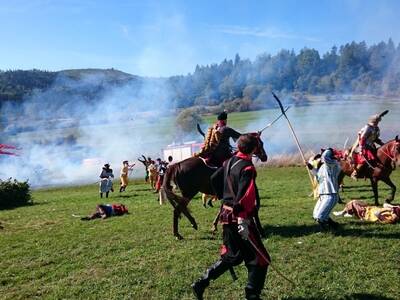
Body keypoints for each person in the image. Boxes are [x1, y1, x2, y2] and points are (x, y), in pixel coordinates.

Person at [192, 134, 270, 300]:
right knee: (261, 259)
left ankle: (201, 283)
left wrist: (224, 198)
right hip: (240, 219)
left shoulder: (228, 161)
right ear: (255, 149)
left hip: (226, 215)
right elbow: (246, 195)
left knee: (232, 256)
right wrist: (242, 219)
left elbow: (214, 178)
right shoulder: (248, 168)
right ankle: (252, 294)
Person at [307, 148, 341, 230]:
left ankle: (325, 231)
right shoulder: (323, 167)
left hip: (331, 195)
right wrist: (310, 167)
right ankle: (334, 226)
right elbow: (317, 175)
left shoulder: (333, 164)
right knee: (315, 215)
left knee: (320, 217)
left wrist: (329, 150)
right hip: (322, 196)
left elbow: (325, 157)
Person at [351, 111, 388, 179]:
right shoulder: (368, 127)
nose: (378, 122)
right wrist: (361, 148)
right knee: (364, 159)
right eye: (377, 121)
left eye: (378, 121)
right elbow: (362, 138)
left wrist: (383, 144)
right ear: (374, 120)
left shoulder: (376, 128)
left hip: (371, 146)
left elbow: (376, 139)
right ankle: (355, 173)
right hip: (363, 146)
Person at [333, 200, 400, 224]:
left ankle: (343, 213)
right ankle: (350, 213)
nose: (392, 211)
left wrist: (387, 209)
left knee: (353, 202)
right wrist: (393, 207)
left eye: (394, 211)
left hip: (366, 214)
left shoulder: (390, 219)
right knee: (356, 201)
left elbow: (376, 214)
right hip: (368, 208)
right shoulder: (392, 213)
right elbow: (385, 204)